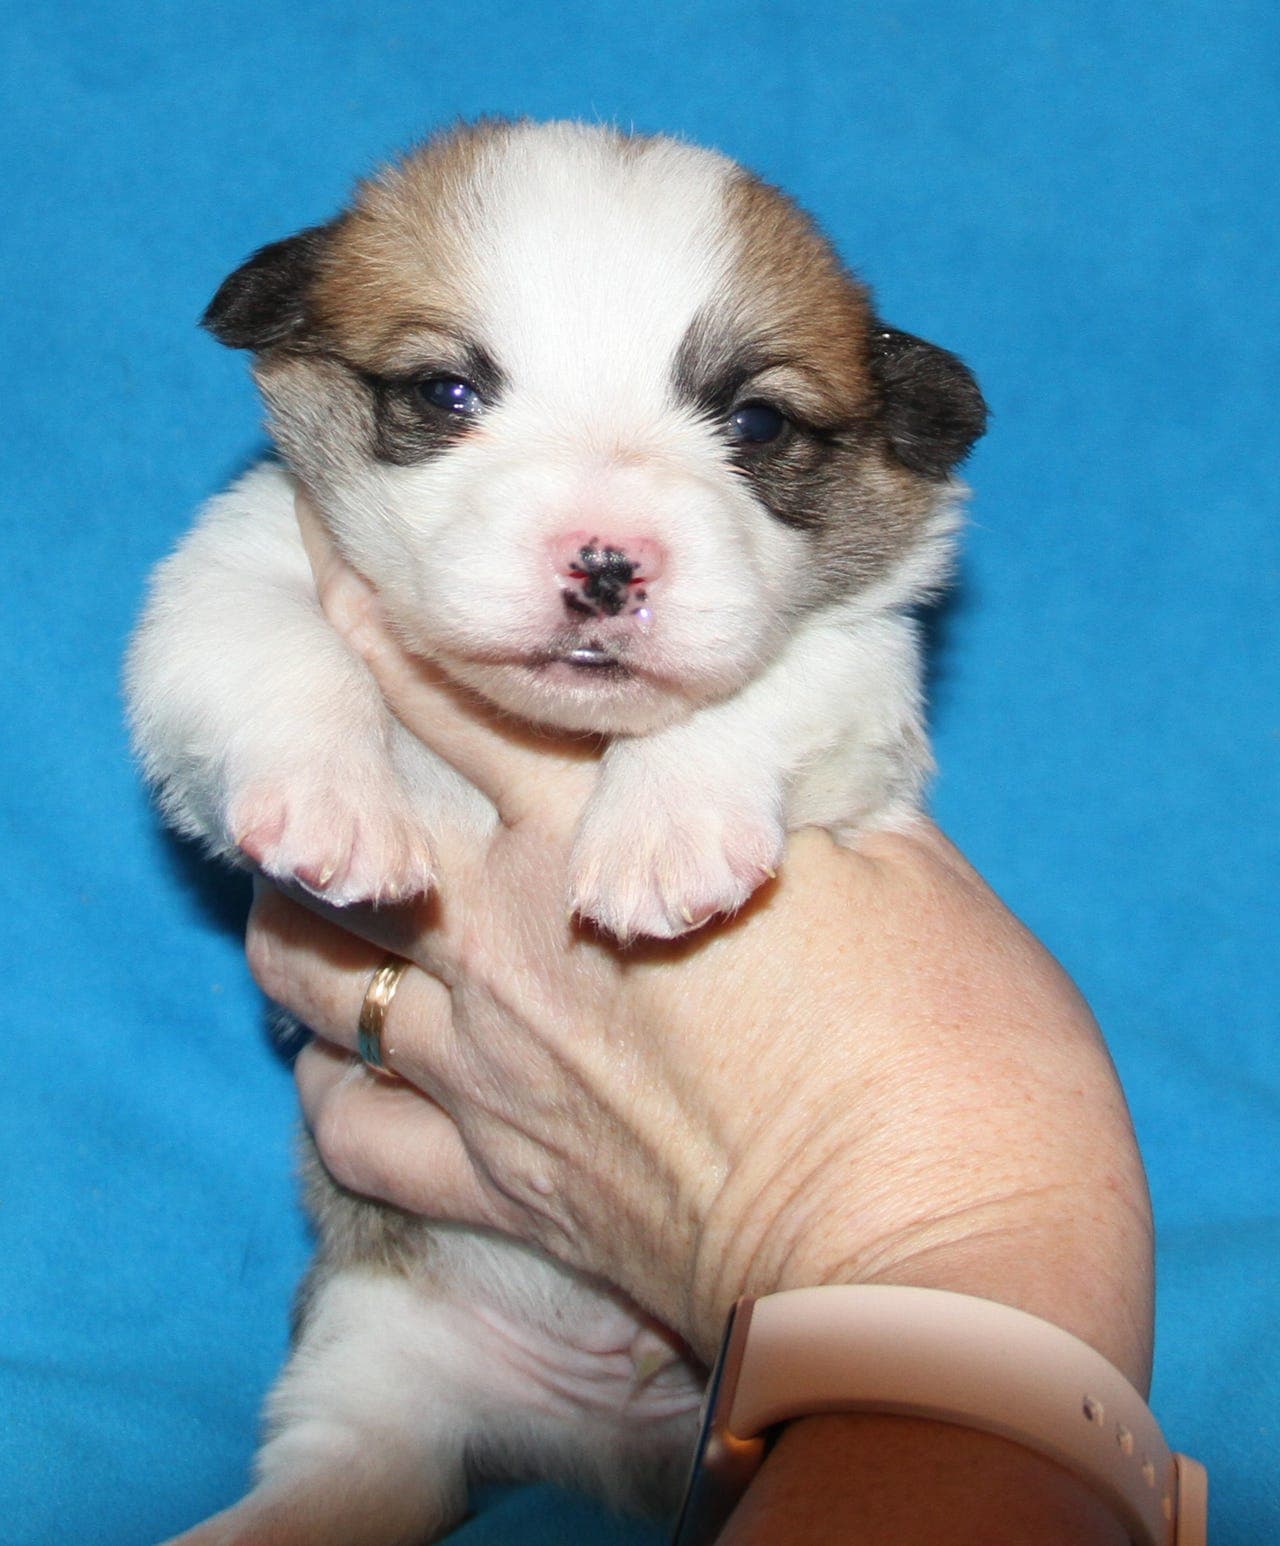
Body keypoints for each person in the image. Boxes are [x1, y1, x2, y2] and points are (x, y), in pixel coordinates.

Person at [245, 510, 1155, 1543]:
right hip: (450, 1291)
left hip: (760, 1375)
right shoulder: (314, 546)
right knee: (368, 1389)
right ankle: (362, 1455)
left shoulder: (816, 620)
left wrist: (935, 1239)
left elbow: (845, 694)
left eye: (750, 426)